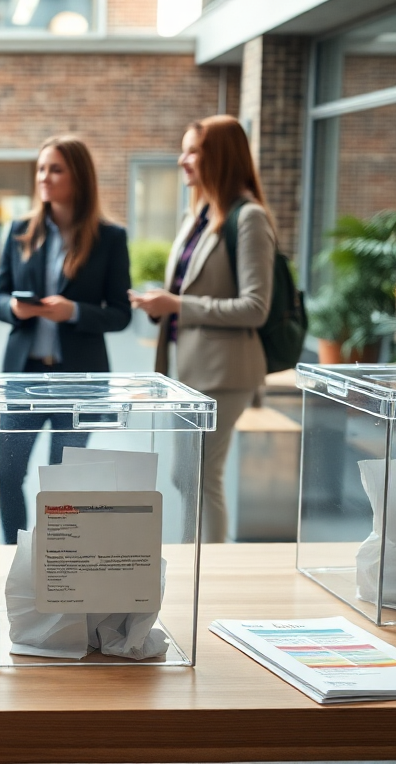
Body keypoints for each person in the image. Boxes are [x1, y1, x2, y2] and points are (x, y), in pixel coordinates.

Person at [130, 115, 276, 544]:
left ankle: (207, 569)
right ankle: (196, 562)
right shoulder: (199, 215)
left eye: (193, 150)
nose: (182, 160)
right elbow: (190, 287)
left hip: (224, 372)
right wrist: (164, 303)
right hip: (189, 368)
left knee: (201, 477)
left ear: (221, 157)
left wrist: (178, 304)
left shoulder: (248, 219)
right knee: (184, 476)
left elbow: (256, 307)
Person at [0, 134, 132, 545]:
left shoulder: (110, 238)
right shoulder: (20, 232)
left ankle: (59, 566)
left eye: (55, 169)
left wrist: (74, 311)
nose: (44, 177)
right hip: (23, 378)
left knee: (64, 487)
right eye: (40, 168)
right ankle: (19, 559)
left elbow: (121, 314)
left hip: (79, 381)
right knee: (7, 475)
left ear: (79, 177)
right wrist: (13, 309)